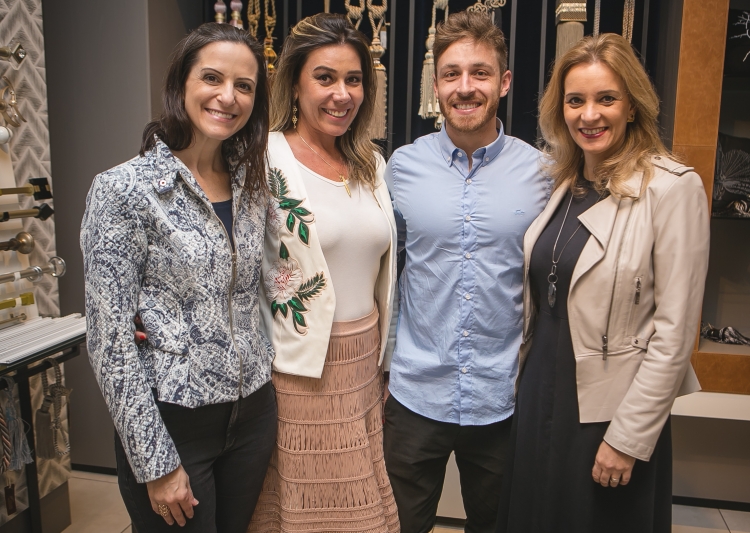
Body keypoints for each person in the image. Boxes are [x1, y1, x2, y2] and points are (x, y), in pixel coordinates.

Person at [495, 33, 709, 533]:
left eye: (606, 99)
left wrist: (628, 439)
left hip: (606, 412)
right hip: (540, 388)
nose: (589, 114)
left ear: (632, 106)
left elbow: (674, 338)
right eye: (576, 101)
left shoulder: (672, 190)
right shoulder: (563, 184)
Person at [81, 23, 276, 532]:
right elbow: (110, 339)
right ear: (181, 84)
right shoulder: (125, 190)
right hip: (174, 422)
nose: (227, 97)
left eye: (245, 86)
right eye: (212, 78)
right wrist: (155, 462)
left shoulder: (252, 184)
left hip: (253, 413)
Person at [382, 11, 549, 533]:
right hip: (414, 391)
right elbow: (389, 271)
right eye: (452, 73)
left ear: (503, 82)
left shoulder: (542, 174)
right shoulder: (401, 168)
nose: (465, 87)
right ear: (437, 85)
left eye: (479, 73)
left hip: (503, 395)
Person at [247, 13, 399, 533]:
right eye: (325, 77)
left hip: (363, 368)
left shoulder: (371, 164)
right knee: (305, 512)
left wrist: (381, 366)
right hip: (298, 373)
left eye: (353, 80)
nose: (342, 94)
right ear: (295, 82)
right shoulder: (264, 159)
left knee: (364, 511)